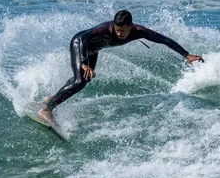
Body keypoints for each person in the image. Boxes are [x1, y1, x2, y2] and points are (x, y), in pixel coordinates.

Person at [37, 10, 204, 124]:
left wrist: (186, 54)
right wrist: (84, 62)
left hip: (94, 50)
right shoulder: (103, 29)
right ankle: (47, 109)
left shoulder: (139, 31)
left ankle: (54, 97)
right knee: (80, 80)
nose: (118, 34)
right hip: (80, 45)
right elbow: (83, 39)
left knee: (82, 80)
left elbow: (164, 39)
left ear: (131, 26)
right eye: (116, 30)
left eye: (122, 31)